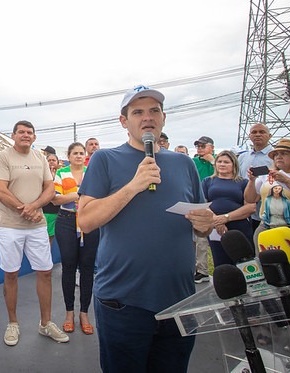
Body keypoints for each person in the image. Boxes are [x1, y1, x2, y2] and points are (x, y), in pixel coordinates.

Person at [77, 85, 213, 373]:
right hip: (123, 302)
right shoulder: (105, 159)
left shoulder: (184, 164)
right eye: (137, 112)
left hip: (179, 299)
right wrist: (133, 186)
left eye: (154, 111)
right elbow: (86, 221)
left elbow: (201, 220)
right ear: (124, 121)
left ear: (163, 118)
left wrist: (204, 225)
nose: (147, 117)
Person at [0, 121, 68, 347]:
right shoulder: (2, 157)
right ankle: (13, 323)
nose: (25, 135)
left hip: (37, 226)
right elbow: (0, 190)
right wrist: (27, 210)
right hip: (9, 226)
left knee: (45, 272)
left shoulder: (41, 158)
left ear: (34, 137)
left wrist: (34, 207)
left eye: (29, 133)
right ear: (13, 135)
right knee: (11, 274)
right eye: (21, 132)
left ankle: (45, 323)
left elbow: (50, 188)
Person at [53, 142, 99, 336]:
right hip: (66, 222)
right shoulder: (62, 173)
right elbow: (56, 198)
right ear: (69, 155)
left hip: (89, 222)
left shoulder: (93, 171)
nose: (79, 156)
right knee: (69, 267)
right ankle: (69, 313)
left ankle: (84, 313)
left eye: (81, 153)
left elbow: (100, 196)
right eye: (75, 153)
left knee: (88, 268)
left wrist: (73, 196)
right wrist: (78, 195)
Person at [202, 150, 254, 267]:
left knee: (244, 261)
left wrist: (226, 218)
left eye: (226, 162)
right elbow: (202, 203)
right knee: (221, 261)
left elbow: (250, 207)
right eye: (219, 161)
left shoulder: (243, 182)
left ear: (234, 164)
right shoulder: (208, 181)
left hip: (239, 226)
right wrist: (216, 220)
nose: (222, 164)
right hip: (215, 228)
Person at [238, 123, 274, 231]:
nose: (258, 135)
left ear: (269, 136)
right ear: (249, 136)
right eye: (254, 132)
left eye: (262, 132)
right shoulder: (243, 157)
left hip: (268, 211)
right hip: (245, 209)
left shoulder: (275, 156)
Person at [191, 136, 215, 284]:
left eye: (203, 146)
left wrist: (212, 161)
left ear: (211, 147)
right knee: (200, 239)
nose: (200, 149)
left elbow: (229, 172)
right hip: (200, 201)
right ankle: (201, 270)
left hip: (217, 201)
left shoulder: (218, 160)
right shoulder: (193, 162)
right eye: (198, 146)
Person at [43, 151, 61, 247]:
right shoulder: (41, 175)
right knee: (42, 239)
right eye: (49, 160)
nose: (51, 162)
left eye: (53, 160)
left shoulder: (61, 175)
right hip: (43, 211)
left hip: (56, 212)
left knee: (51, 238)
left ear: (58, 163)